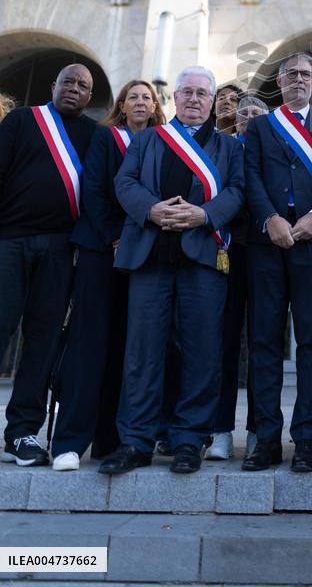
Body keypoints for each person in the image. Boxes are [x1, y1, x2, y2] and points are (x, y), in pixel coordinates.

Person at [99, 66, 244, 476]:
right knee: (142, 351)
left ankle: (189, 439)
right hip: (151, 256)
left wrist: (205, 214)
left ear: (212, 102)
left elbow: (237, 191)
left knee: (202, 351)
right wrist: (151, 209)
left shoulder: (229, 147)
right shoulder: (147, 139)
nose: (194, 99)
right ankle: (136, 440)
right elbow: (125, 182)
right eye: (187, 92)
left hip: (203, 256)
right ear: (175, 98)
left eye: (202, 93)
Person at [50, 81, 165, 471]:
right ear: (122, 105)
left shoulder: (162, 142)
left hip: (142, 255)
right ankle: (69, 442)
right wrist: (116, 237)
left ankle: (109, 439)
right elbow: (94, 190)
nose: (139, 102)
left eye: (146, 97)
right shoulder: (105, 138)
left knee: (125, 346)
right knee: (89, 343)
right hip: (102, 250)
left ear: (155, 107)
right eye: (132, 97)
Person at [243, 53, 312, 473]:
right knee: (264, 342)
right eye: (291, 74)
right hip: (268, 243)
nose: (299, 79)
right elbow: (250, 176)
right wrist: (269, 218)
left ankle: (305, 439)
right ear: (279, 82)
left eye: (306, 75)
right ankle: (266, 439)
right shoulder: (261, 127)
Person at [0, 64, 96, 466]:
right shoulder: (23, 120)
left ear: (90, 95)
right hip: (9, 241)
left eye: (82, 85)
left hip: (59, 249)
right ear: (53, 86)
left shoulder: (94, 134)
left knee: (42, 341)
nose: (74, 88)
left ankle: (21, 433)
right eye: (68, 82)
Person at [207, 95, 268, 462]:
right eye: (243, 113)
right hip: (227, 253)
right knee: (224, 343)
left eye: (256, 113)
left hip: (265, 254)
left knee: (262, 343)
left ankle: (259, 429)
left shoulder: (275, 147)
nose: (248, 118)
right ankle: (220, 431)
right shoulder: (224, 148)